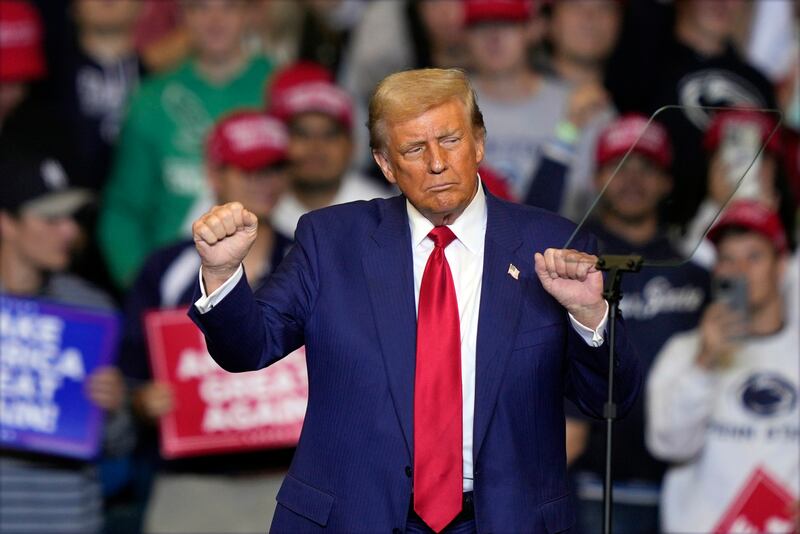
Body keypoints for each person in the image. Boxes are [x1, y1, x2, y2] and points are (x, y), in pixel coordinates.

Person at [188, 67, 641, 532]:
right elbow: (248, 349)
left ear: (479, 143)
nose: (438, 162)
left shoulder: (553, 242)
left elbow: (609, 400)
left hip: (505, 520)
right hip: (352, 517)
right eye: (414, 149)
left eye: (450, 140)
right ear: (385, 164)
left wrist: (590, 314)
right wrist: (223, 273)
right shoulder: (332, 240)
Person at [118, 110, 294, 534]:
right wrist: (144, 400)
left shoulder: (309, 259)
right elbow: (130, 371)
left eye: (274, 168)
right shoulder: (166, 268)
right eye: (248, 169)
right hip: (191, 485)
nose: (264, 181)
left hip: (289, 482)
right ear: (214, 174)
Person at [561, 115, 711, 534]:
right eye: (618, 166)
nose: (632, 179)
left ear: (667, 182)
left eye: (646, 167)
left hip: (679, 486)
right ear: (596, 177)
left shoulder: (693, 272)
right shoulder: (570, 260)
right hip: (583, 480)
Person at [98, 0, 275, 289]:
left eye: (228, 7)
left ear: (250, 13)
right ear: (182, 17)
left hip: (270, 283)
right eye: (200, 7)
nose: (214, 20)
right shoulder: (150, 100)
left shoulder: (278, 87)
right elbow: (123, 208)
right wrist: (143, 285)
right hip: (174, 287)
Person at [647, 200, 799, 534]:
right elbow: (668, 445)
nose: (738, 271)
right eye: (727, 259)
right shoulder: (685, 350)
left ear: (781, 267)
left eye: (754, 257)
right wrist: (704, 363)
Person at [0, 152, 131, 534]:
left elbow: (118, 444)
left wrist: (113, 407)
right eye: (51, 219)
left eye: (72, 218)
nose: (70, 231)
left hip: (69, 517)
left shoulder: (90, 307)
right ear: (6, 223)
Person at [267, 61, 390, 237]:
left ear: (352, 146)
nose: (315, 147)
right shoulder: (262, 208)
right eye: (302, 134)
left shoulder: (381, 212)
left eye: (329, 135)